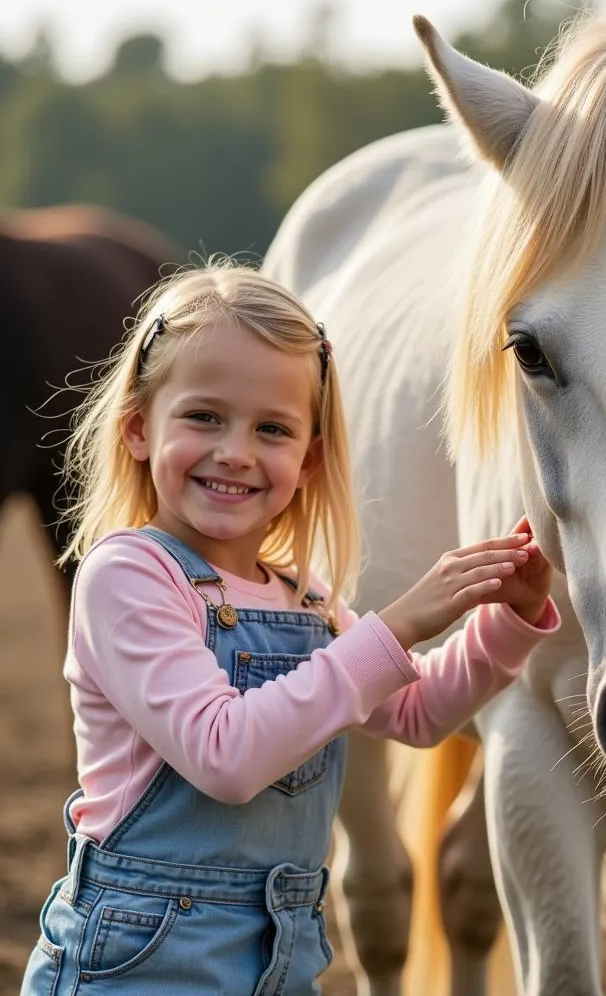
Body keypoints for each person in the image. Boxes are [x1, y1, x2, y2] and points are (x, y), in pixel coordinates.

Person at [21, 262, 559, 995]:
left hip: (281, 958)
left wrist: (509, 620)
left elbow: (417, 712)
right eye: (204, 416)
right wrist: (395, 627)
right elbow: (226, 755)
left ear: (307, 459)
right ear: (140, 428)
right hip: (139, 962)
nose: (236, 451)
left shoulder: (305, 597)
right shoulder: (130, 577)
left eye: (271, 428)